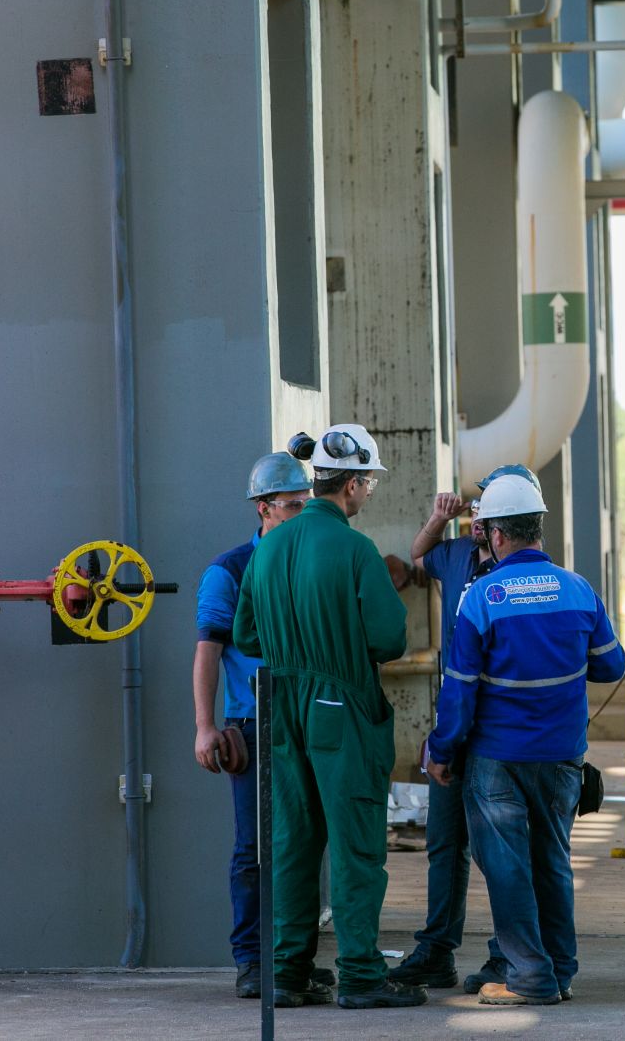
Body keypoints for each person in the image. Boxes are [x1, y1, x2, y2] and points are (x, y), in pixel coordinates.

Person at [232, 423, 422, 1010]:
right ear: (356, 484)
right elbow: (390, 638)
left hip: (279, 708)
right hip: (340, 707)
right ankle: (361, 975)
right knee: (356, 840)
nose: (369, 494)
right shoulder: (355, 549)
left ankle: (286, 972)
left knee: (292, 840)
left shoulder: (270, 547)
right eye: (369, 483)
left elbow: (246, 634)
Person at [424, 474, 625, 1007]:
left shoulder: (482, 597)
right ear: (538, 527)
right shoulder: (578, 588)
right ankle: (559, 970)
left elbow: (460, 691)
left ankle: (530, 976)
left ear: (492, 534)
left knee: (509, 868)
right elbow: (611, 665)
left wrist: (442, 751)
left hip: (499, 760)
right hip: (562, 757)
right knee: (553, 861)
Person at [388, 464, 540, 994]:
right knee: (444, 841)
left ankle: (508, 954)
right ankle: (436, 950)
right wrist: (437, 517)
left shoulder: (528, 576)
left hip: (499, 733)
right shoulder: (455, 555)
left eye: (487, 510)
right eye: (477, 507)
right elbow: (417, 554)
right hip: (454, 722)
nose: (478, 516)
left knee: (501, 848)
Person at [192, 452, 320, 999]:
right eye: (292, 506)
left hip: (309, 718)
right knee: (254, 849)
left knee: (304, 844)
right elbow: (207, 652)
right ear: (264, 508)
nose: (301, 514)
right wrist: (205, 727)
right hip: (254, 722)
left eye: (306, 505)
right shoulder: (231, 570)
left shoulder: (314, 561)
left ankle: (291, 962)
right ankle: (251, 961)